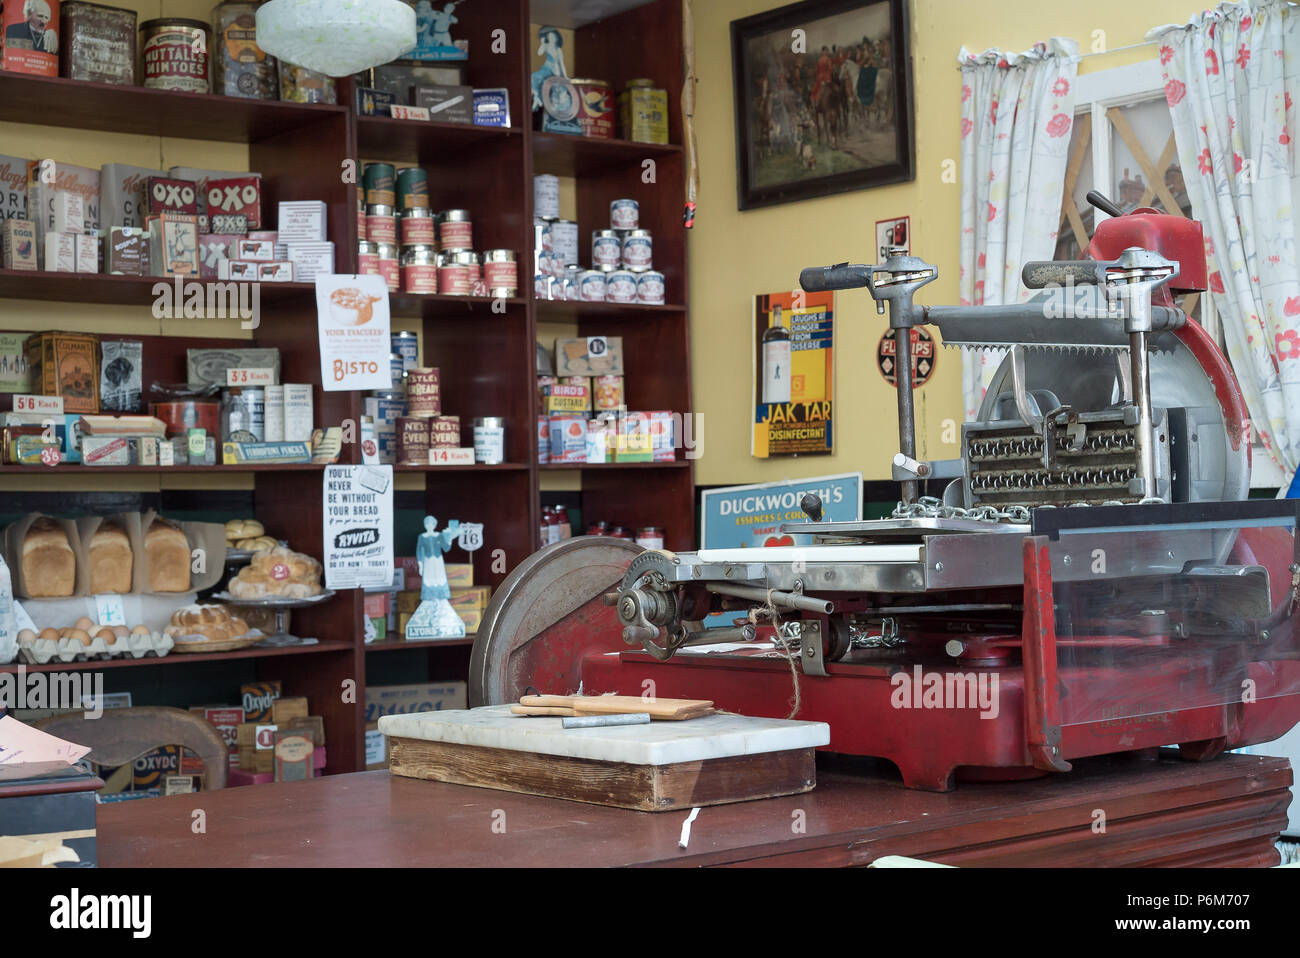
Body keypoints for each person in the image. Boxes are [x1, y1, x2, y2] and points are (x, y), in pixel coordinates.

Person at [531, 25, 568, 111]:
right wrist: (542, 43)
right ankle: (537, 96)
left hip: (555, 70)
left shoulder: (558, 49)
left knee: (551, 85)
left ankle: (539, 99)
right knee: (534, 76)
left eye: (553, 36)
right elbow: (539, 53)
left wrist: (565, 76)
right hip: (546, 68)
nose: (552, 38)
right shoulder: (546, 46)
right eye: (550, 37)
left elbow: (561, 64)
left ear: (557, 37)